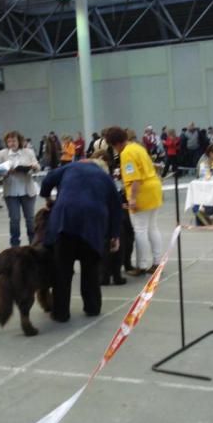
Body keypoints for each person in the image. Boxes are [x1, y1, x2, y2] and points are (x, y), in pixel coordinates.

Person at [40, 160, 121, 321]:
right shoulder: (106, 178)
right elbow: (116, 208)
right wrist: (115, 236)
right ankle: (92, 307)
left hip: (65, 220)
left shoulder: (70, 167)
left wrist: (47, 197)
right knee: (90, 269)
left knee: (62, 270)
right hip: (92, 224)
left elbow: (47, 179)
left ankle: (60, 313)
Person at [105, 126, 163, 276]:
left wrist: (132, 199)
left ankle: (142, 265)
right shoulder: (138, 147)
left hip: (141, 192)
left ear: (116, 143)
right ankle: (157, 262)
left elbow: (135, 178)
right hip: (154, 189)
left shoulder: (126, 153)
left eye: (112, 146)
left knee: (140, 230)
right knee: (152, 227)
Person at [0, 131, 40, 247]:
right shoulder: (2, 153)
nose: (11, 143)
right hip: (11, 192)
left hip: (27, 191)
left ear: (19, 141)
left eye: (14, 140)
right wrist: (5, 173)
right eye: (9, 141)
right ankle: (15, 247)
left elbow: (37, 167)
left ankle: (33, 246)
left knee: (30, 220)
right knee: (14, 220)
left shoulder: (28, 152)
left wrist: (34, 167)